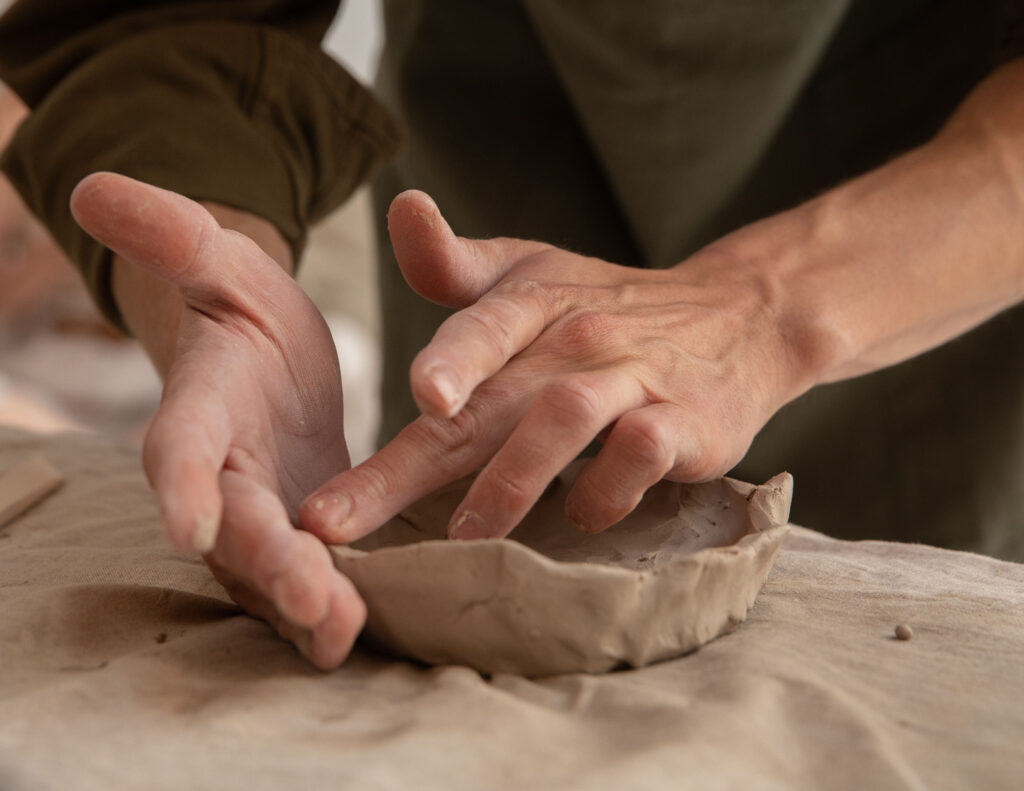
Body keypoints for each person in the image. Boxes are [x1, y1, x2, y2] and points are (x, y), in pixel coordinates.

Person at [1, 0, 1022, 668]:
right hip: (485, 281)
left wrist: (770, 307)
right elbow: (170, 22)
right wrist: (218, 286)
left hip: (938, 316)